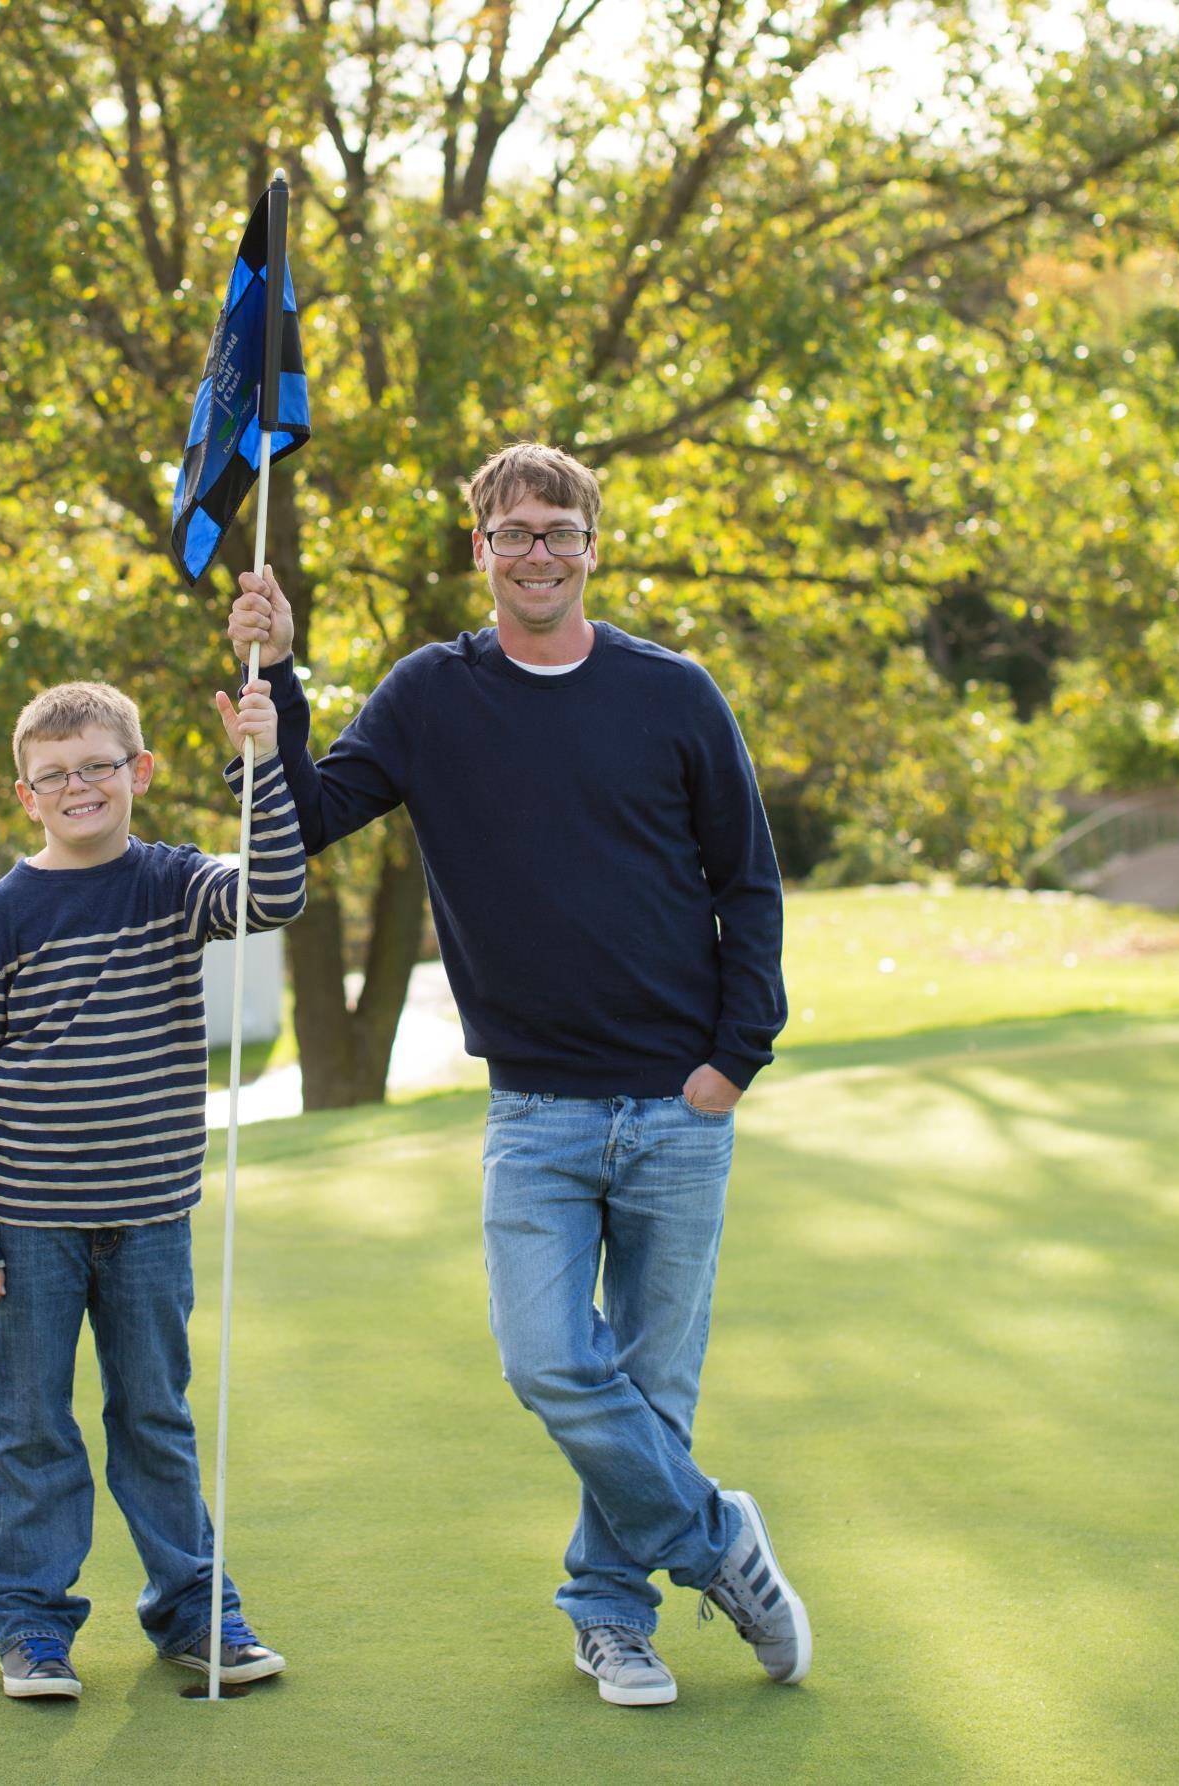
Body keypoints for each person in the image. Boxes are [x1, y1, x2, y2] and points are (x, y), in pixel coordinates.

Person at [226, 441, 809, 1707]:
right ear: (476, 549)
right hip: (534, 1110)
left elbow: (745, 882)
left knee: (654, 1383)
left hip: (678, 1104)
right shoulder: (433, 694)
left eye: (558, 530)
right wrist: (277, 692)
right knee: (547, 1361)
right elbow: (311, 815)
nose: (536, 552)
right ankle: (719, 1544)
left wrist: (731, 1062)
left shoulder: (675, 692)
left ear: (592, 545)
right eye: (512, 532)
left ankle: (611, 1615)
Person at [0, 675, 305, 1699]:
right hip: (26, 1223)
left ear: (137, 771)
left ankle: (196, 1614)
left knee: (154, 1416)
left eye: (98, 766)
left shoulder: (171, 882)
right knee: (31, 1428)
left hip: (148, 1216)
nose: (78, 787)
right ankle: (33, 1629)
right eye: (54, 775)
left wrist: (263, 765)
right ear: (26, 795)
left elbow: (274, 894)